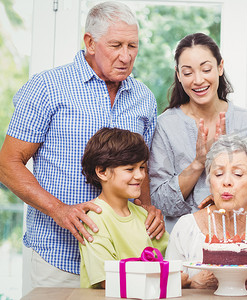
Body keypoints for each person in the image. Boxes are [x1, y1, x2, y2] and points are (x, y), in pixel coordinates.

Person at [0, 1, 164, 288]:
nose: (126, 56)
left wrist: (147, 209)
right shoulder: (47, 88)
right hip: (58, 257)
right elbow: (7, 164)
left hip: (122, 262)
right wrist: (59, 210)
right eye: (116, 45)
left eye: (132, 46)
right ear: (90, 42)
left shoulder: (144, 98)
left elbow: (142, 168)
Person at [149, 33, 247, 232]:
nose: (198, 80)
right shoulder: (166, 125)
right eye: (188, 72)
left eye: (206, 69)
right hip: (181, 242)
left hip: (236, 238)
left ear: (220, 67)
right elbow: (159, 201)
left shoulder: (246, 121)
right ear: (178, 74)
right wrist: (199, 163)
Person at [166, 135, 247, 289]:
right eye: (218, 174)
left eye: (238, 174)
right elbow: (167, 286)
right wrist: (191, 283)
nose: (226, 182)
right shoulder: (186, 228)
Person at [79, 128, 169, 288]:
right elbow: (107, 281)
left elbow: (171, 258)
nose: (140, 175)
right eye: (130, 169)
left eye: (142, 167)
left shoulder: (144, 215)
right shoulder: (95, 219)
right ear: (102, 171)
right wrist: (169, 281)